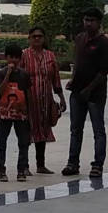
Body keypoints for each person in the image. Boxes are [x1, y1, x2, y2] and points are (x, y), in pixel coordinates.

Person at [62, 9, 108, 181]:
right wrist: (73, 80)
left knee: (98, 130)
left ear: (99, 22)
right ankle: (72, 163)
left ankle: (98, 164)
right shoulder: (79, 39)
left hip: (95, 95)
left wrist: (89, 89)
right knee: (75, 130)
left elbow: (103, 72)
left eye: (91, 20)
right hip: (77, 92)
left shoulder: (104, 43)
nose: (88, 23)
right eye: (85, 20)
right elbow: (77, 63)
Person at [19, 26, 64, 174]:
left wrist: (61, 98)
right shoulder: (24, 55)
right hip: (28, 101)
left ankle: (41, 164)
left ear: (44, 38)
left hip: (45, 100)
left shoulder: (50, 56)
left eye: (39, 36)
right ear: (29, 38)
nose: (37, 38)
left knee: (43, 131)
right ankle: (24, 166)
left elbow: (55, 79)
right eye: (34, 36)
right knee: (27, 131)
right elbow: (18, 77)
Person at [0, 55, 30, 182]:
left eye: (15, 58)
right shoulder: (0, 73)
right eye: (10, 57)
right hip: (5, 114)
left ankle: (21, 170)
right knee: (1, 143)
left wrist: (28, 110)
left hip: (20, 114)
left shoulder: (24, 75)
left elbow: (27, 93)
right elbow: (0, 90)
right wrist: (8, 74)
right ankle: (1, 170)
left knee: (23, 142)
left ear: (19, 59)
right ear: (6, 58)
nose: (13, 61)